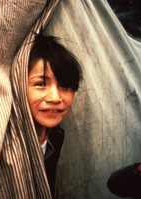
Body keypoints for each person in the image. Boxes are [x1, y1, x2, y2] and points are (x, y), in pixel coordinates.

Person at [27, 29, 82, 198]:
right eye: (40, 83)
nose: (55, 98)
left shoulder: (55, 136)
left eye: (65, 86)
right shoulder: (5, 145)